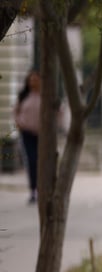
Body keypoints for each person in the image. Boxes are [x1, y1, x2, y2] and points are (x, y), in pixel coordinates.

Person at [14, 69, 41, 204]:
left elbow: (58, 112)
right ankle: (33, 190)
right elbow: (16, 112)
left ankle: (43, 188)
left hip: (43, 135)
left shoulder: (46, 96)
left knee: (42, 162)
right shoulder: (24, 96)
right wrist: (19, 123)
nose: (33, 82)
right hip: (27, 134)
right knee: (31, 160)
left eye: (36, 79)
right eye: (31, 79)